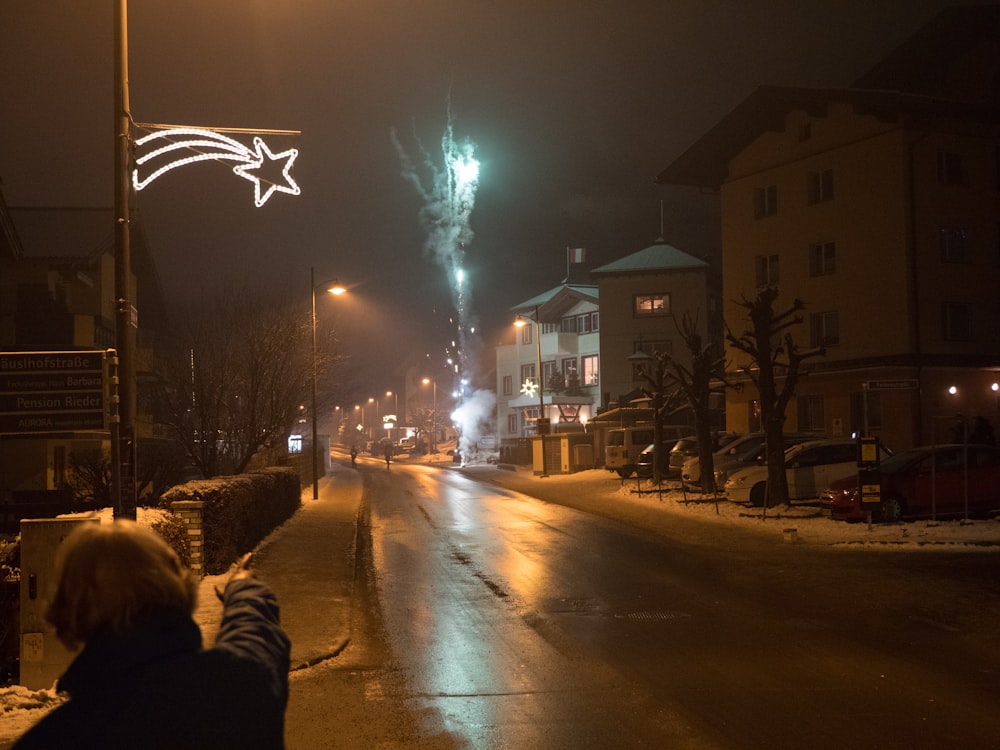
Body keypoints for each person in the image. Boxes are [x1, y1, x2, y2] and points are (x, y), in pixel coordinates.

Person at [14, 521, 290, 750]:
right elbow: (256, 632)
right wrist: (242, 587)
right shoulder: (238, 682)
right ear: (174, 583)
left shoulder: (55, 739)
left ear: (70, 607)